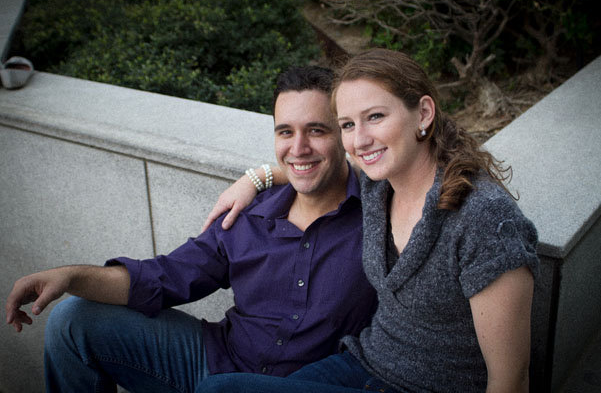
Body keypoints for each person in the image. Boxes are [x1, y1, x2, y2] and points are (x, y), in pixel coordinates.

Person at [5, 66, 377, 393]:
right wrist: (69, 276)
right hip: (216, 360)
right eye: (285, 132)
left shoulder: (380, 213)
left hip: (308, 384)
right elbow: (164, 277)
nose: (298, 147)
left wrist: (262, 174)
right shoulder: (247, 214)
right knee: (73, 320)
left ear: (344, 133)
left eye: (316, 130)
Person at [197, 48, 540, 393]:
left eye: (375, 117)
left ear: (422, 113)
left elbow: (510, 378)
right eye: (347, 124)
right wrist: (256, 179)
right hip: (361, 366)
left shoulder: (484, 219)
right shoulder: (379, 184)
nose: (359, 141)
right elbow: (312, 165)